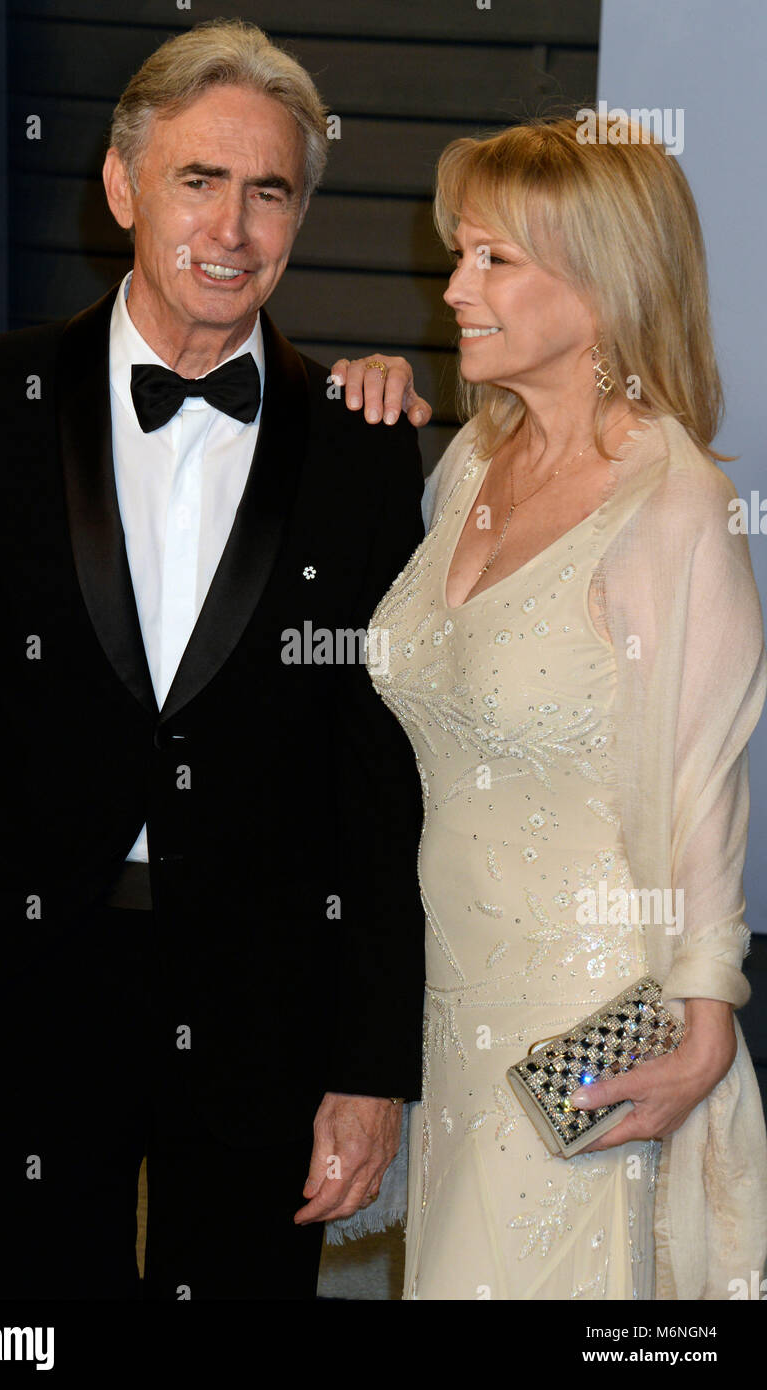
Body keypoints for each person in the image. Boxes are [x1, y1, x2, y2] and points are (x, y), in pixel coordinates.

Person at [0, 20, 428, 1301]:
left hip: (268, 1000)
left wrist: (372, 1064)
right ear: (125, 185)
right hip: (22, 986)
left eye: (270, 191)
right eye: (200, 180)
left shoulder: (361, 445)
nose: (234, 228)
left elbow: (380, 775)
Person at [332, 115, 767, 1299]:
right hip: (457, 1006)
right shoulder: (474, 458)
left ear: (604, 281)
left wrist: (705, 1020)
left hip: (589, 1025)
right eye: (459, 253)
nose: (456, 287)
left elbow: (701, 789)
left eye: (494, 261)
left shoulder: (672, 507)